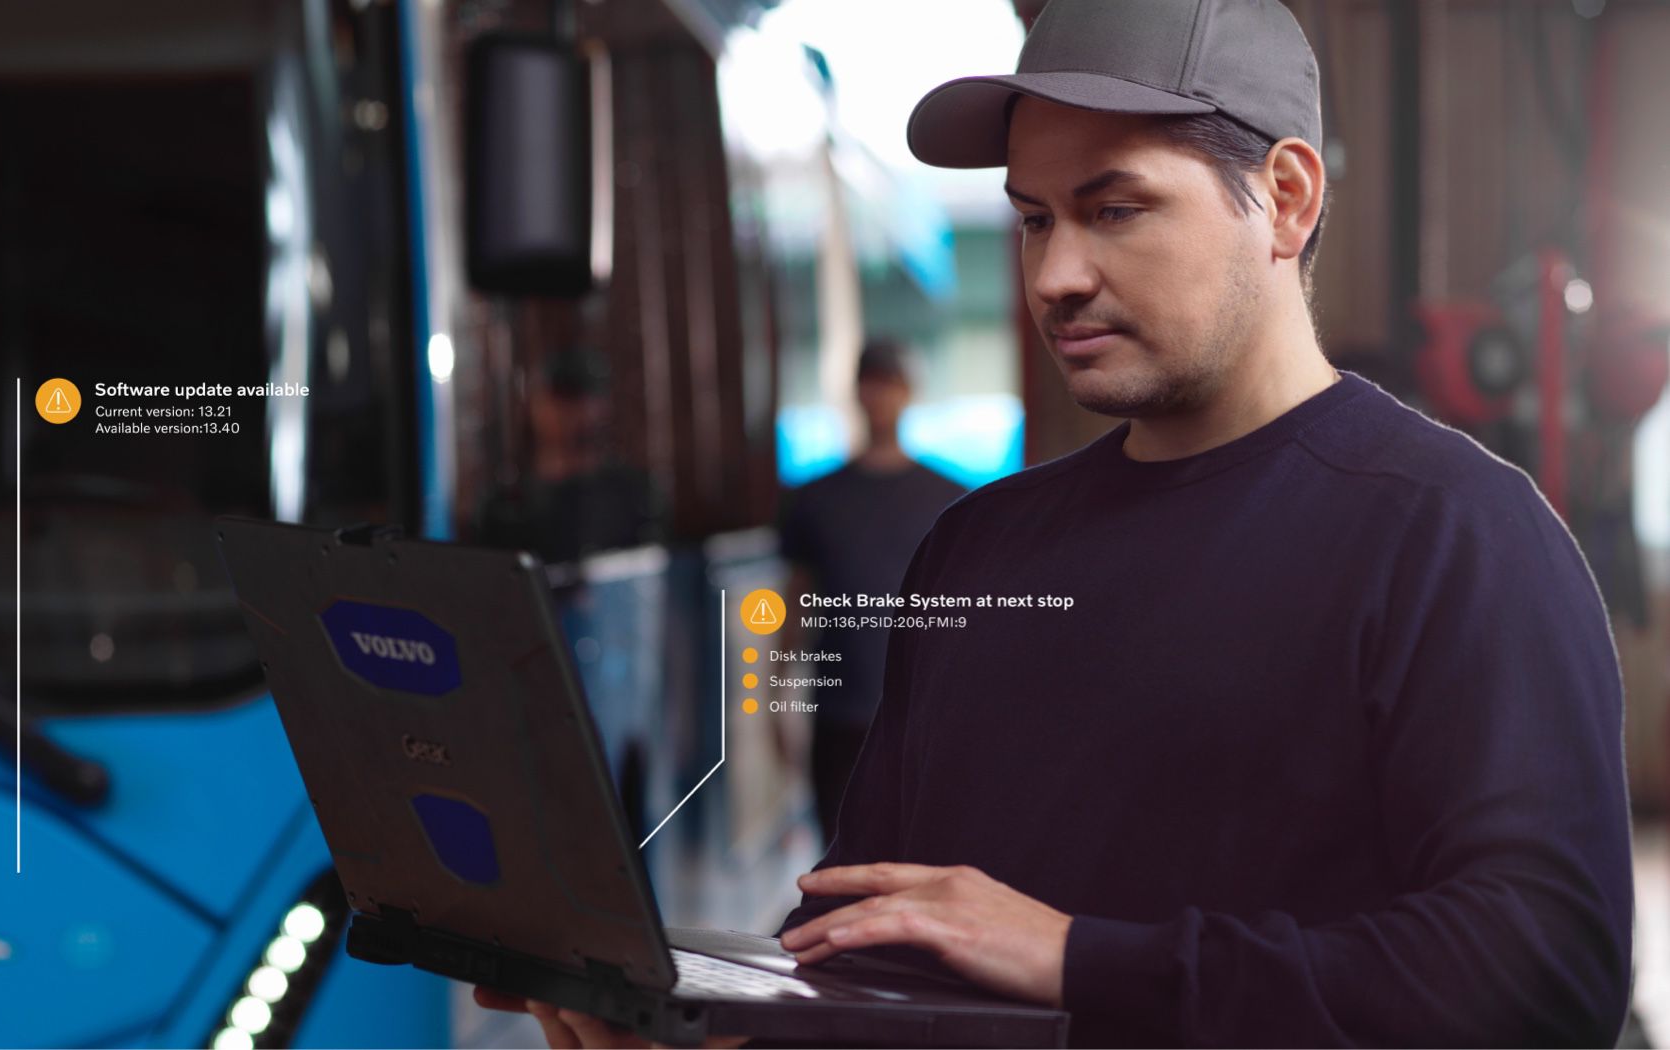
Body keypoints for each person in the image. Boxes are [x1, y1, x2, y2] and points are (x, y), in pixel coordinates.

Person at [481, 0, 1633, 1045]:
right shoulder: (979, 548)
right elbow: (868, 940)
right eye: (1033, 220)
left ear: (1285, 198)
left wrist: (1081, 960)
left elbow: (1542, 978)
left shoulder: (1455, 538)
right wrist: (716, 1031)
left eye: (1115, 208)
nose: (1055, 275)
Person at [778, 339, 967, 848]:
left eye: (891, 384)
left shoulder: (952, 499)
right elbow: (797, 600)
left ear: (909, 394)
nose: (880, 396)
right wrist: (774, 700)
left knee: (922, 857)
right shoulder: (815, 499)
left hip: (924, 717)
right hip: (841, 714)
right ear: (856, 393)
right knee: (840, 860)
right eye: (871, 384)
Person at [475, 346, 667, 565]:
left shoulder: (636, 495)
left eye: (585, 398)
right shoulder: (504, 508)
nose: (576, 412)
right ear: (534, 403)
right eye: (562, 398)